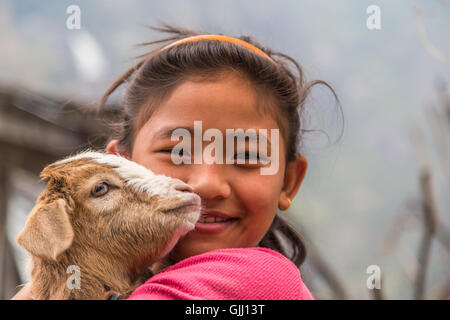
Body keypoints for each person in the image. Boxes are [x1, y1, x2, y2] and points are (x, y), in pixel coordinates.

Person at [13, 24, 341, 300]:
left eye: (246, 156)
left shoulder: (261, 282)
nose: (207, 184)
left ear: (288, 181)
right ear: (120, 168)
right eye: (178, 151)